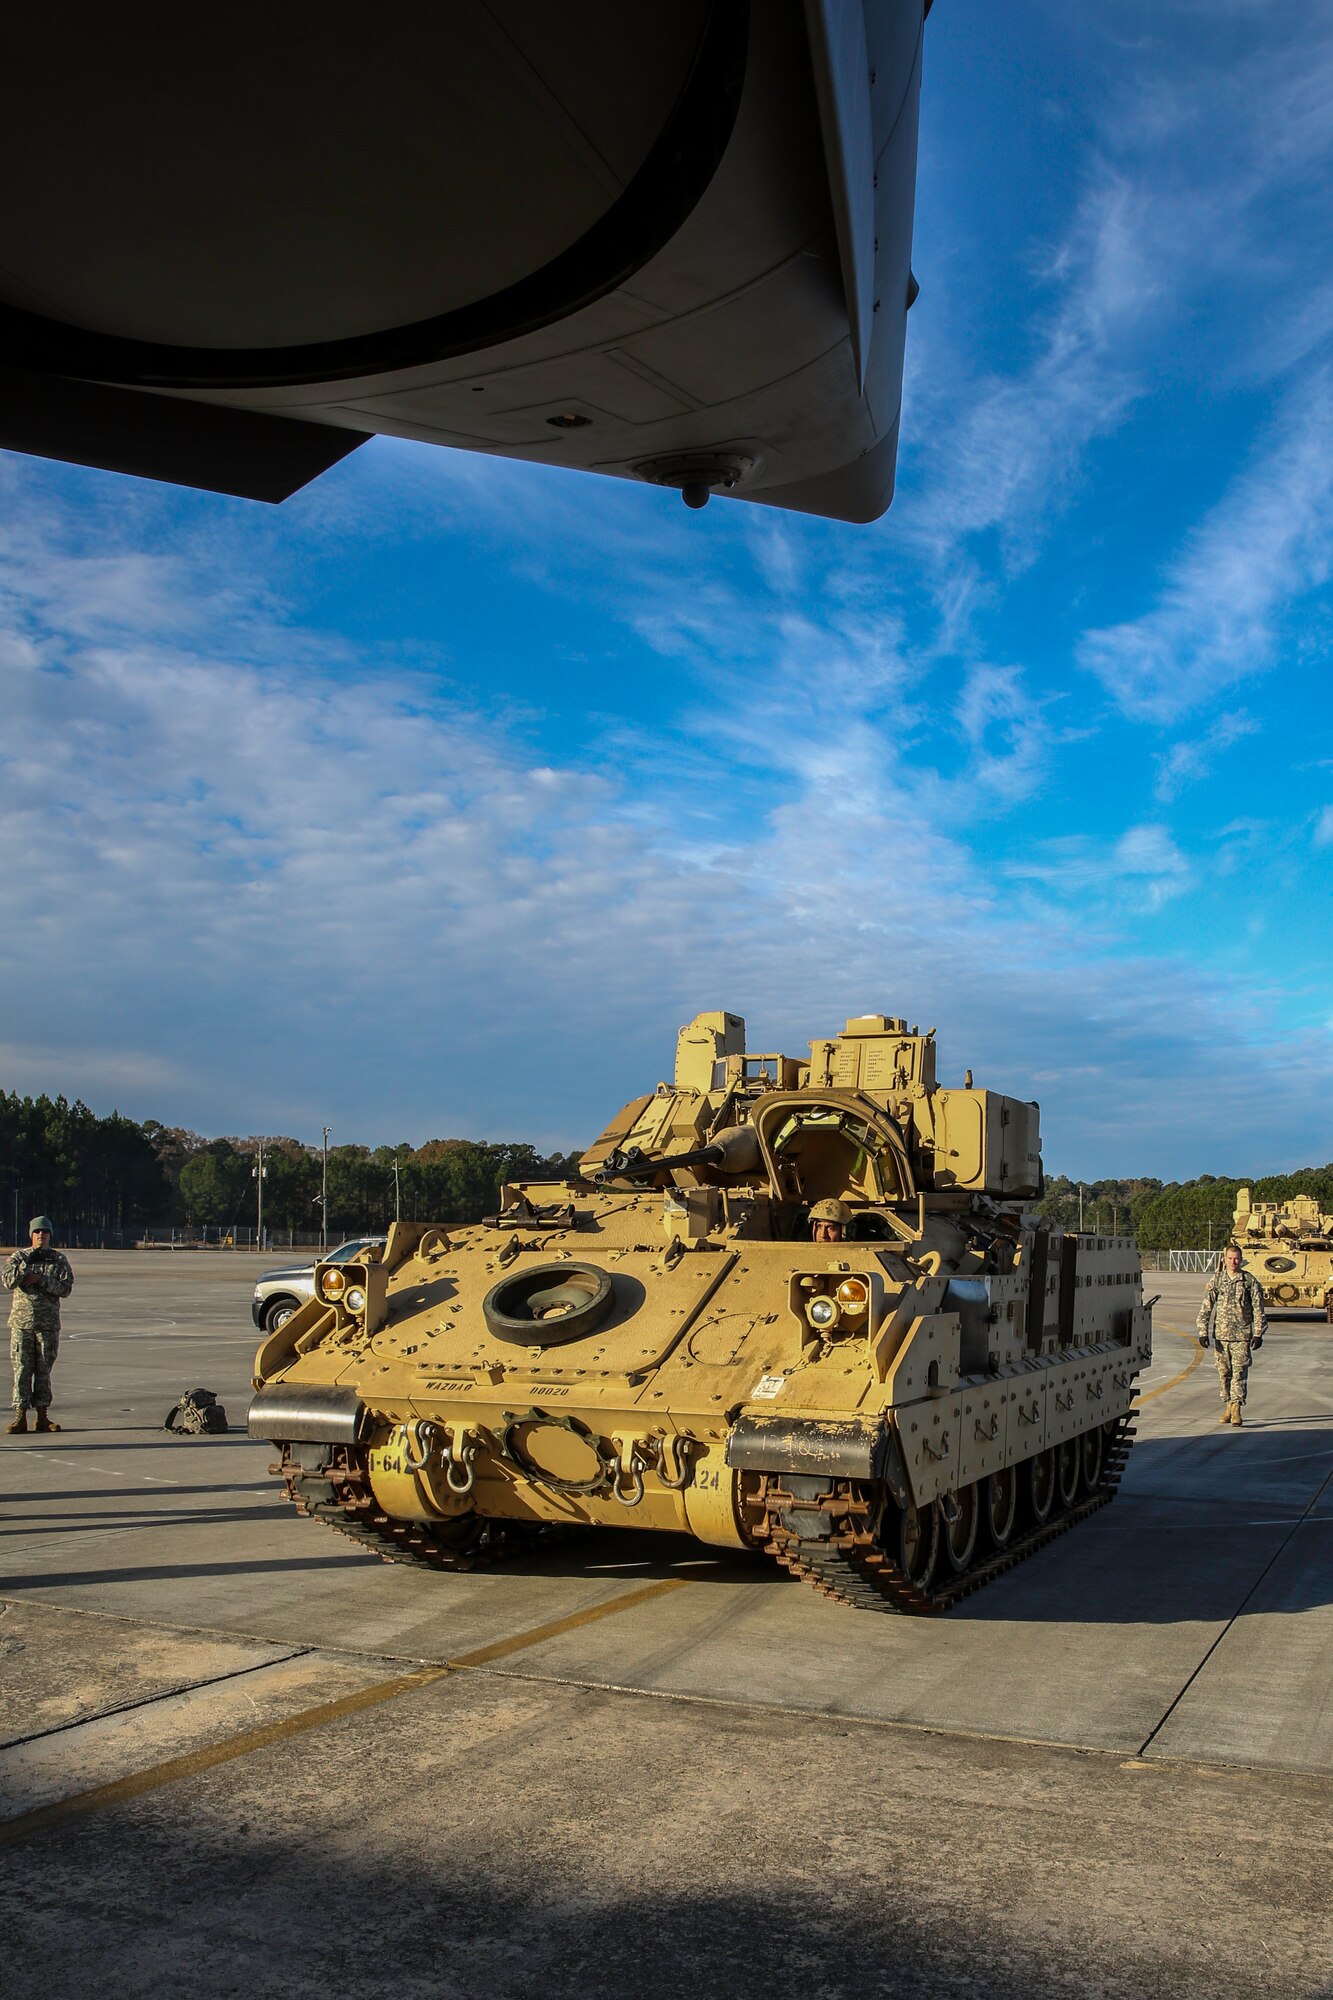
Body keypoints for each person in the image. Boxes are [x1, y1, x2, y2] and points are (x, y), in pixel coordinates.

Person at [4, 1216, 74, 1435]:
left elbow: (65, 1289)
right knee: (22, 1370)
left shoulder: (58, 1260)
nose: (41, 1236)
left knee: (44, 1371)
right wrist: (26, 1268)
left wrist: (41, 1279)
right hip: (22, 1324)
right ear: (31, 1235)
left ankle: (42, 1416)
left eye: (45, 1233)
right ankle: (20, 1416)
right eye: (37, 1232)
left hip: (47, 1326)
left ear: (50, 1236)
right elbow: (8, 1282)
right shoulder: (18, 1258)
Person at [1196, 1240, 1265, 1428]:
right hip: (1221, 1335)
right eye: (1230, 1258)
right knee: (1224, 1373)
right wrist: (1203, 1331)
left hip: (1242, 1335)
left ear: (1241, 1260)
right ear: (1224, 1260)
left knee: (1239, 1373)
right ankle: (1228, 1404)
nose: (1233, 1262)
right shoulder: (1217, 1280)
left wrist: (1258, 1333)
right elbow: (1206, 1307)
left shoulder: (1249, 1281)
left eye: (1237, 1259)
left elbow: (1259, 1309)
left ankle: (1236, 1408)